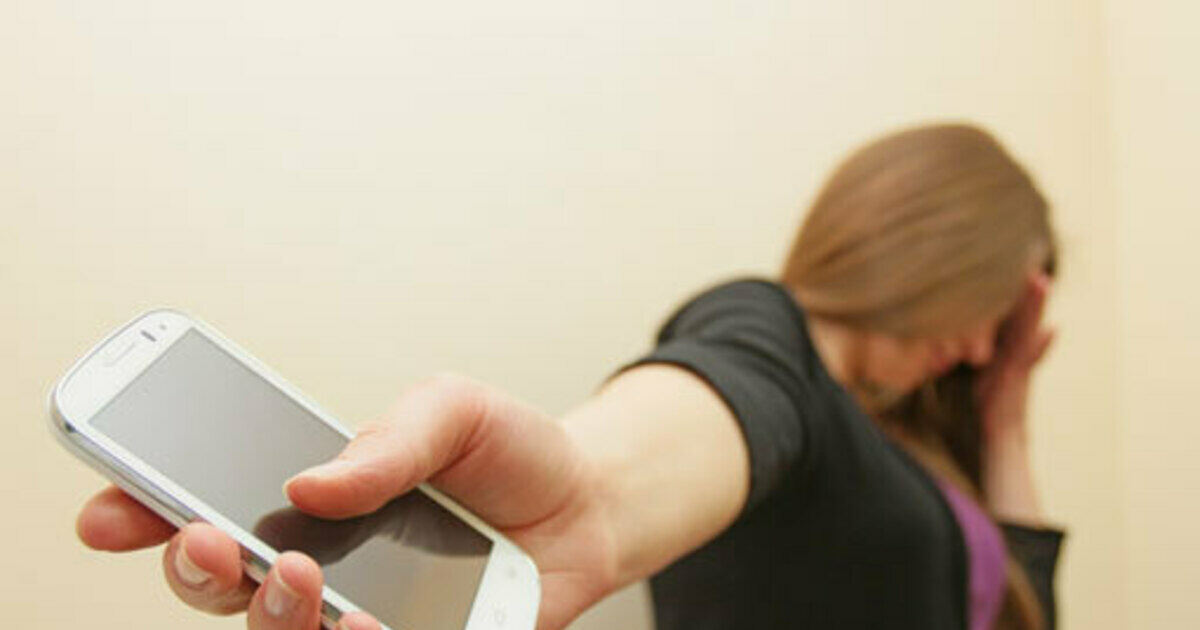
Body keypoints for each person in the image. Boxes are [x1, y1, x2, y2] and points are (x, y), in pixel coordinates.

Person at [75, 123, 1064, 630]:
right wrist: (592, 489)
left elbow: (1024, 602)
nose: (983, 349)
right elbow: (734, 390)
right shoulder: (766, 329)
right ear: (936, 249)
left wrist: (1007, 419)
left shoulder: (914, 439)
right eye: (993, 310)